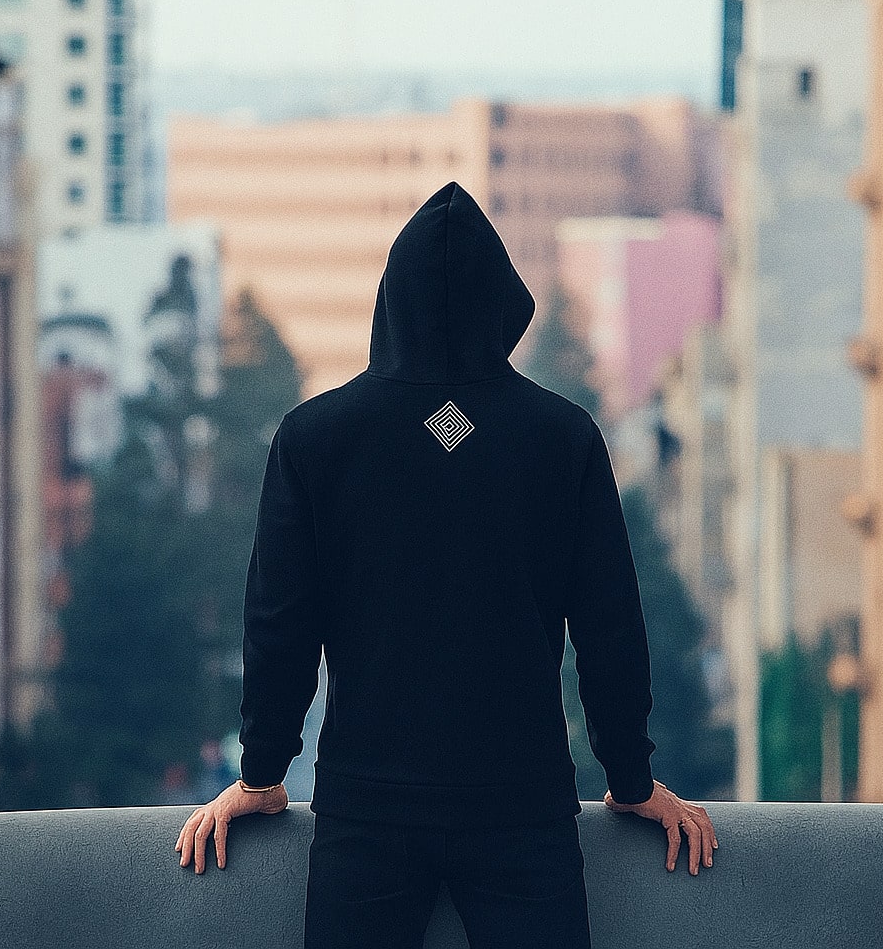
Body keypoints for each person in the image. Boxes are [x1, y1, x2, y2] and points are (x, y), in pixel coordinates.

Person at [175, 180, 718, 948]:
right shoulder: (562, 438)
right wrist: (629, 780)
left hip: (367, 811)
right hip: (522, 810)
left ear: (390, 302)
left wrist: (264, 774)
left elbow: (278, 625)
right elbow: (610, 630)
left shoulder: (315, 438)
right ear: (503, 300)